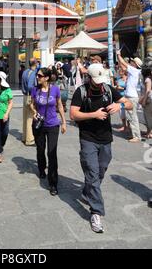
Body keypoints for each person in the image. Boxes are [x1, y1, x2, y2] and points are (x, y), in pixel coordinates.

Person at [70, 63, 132, 233]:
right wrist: (94, 114)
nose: (99, 83)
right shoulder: (81, 92)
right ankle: (96, 212)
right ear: (89, 78)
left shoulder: (108, 89)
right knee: (92, 171)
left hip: (106, 139)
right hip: (88, 138)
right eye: (96, 81)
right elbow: (73, 114)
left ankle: (87, 192)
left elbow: (129, 104)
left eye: (100, 80)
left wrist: (119, 106)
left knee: (100, 171)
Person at [30, 68, 66, 196]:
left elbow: (60, 105)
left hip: (53, 125)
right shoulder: (35, 89)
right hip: (39, 124)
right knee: (40, 149)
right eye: (37, 76)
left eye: (40, 76)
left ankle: (53, 183)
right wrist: (34, 112)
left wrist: (64, 122)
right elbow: (32, 104)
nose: (38, 78)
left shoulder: (55, 89)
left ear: (46, 78)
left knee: (52, 152)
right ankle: (41, 168)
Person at [117, 51, 142, 142]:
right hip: (130, 96)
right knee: (130, 116)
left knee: (132, 116)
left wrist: (118, 55)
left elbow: (124, 64)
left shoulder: (134, 70)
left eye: (132, 61)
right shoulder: (135, 71)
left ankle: (137, 136)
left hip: (131, 97)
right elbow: (123, 66)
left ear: (135, 64)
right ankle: (134, 135)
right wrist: (119, 57)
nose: (131, 62)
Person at [21, 58, 38, 145]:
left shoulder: (25, 71)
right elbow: (30, 86)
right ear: (36, 63)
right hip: (30, 96)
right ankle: (29, 139)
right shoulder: (33, 73)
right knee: (30, 118)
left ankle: (24, 136)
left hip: (24, 95)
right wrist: (34, 95)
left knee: (25, 117)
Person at [140, 63, 152, 138]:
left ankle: (149, 132)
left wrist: (143, 101)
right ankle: (149, 131)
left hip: (149, 99)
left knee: (148, 116)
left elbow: (147, 90)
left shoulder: (148, 79)